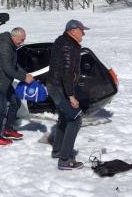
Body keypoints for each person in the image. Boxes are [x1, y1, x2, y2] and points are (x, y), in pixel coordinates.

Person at [46, 19, 89, 170]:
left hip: (56, 86)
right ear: (72, 30)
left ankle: (57, 150)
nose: (83, 33)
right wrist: (71, 96)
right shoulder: (68, 46)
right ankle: (64, 160)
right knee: (75, 118)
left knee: (64, 117)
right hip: (59, 87)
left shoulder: (64, 41)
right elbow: (67, 72)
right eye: (81, 30)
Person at [0, 27, 34, 146]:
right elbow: (8, 69)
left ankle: (8, 129)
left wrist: (25, 74)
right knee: (1, 110)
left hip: (4, 80)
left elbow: (14, 65)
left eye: (23, 39)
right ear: (14, 36)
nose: (22, 41)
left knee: (15, 102)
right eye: (21, 39)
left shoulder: (11, 45)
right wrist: (24, 78)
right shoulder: (5, 46)